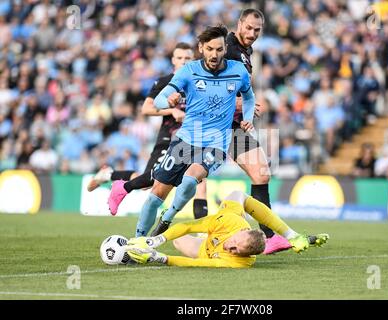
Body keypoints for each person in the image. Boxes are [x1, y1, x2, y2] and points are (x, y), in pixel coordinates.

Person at [152, 9, 292, 255]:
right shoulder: (227, 48)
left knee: (261, 174)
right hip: (218, 128)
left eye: (257, 30)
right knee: (165, 185)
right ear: (239, 24)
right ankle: (151, 226)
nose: (252, 33)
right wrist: (239, 103)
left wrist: (245, 106)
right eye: (248, 28)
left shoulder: (246, 52)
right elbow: (211, 91)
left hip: (232, 126)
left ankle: (269, 238)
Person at [110, 25, 256, 238]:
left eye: (218, 49)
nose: (214, 54)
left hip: (216, 142)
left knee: (190, 180)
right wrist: (168, 101)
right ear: (201, 48)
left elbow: (250, 97)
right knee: (155, 195)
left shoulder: (238, 71)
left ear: (225, 48)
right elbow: (159, 99)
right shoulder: (189, 71)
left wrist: (248, 119)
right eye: (209, 49)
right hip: (185, 140)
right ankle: (139, 241)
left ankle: (167, 218)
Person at [86, 43, 209, 219]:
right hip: (170, 138)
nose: (183, 61)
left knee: (200, 182)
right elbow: (146, 109)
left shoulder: (199, 82)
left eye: (187, 58)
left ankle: (202, 232)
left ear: (193, 59)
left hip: (193, 139)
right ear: (173, 60)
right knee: (148, 181)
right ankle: (110, 175)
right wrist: (171, 111)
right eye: (180, 58)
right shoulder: (166, 82)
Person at [125, 190, 330, 268]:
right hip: (224, 223)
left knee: (179, 242)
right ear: (241, 232)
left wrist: (158, 258)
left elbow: (194, 264)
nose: (229, 248)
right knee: (238, 195)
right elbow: (187, 225)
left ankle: (285, 238)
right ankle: (289, 235)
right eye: (234, 244)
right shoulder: (232, 222)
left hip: (206, 252)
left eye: (235, 251)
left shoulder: (239, 262)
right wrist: (154, 241)